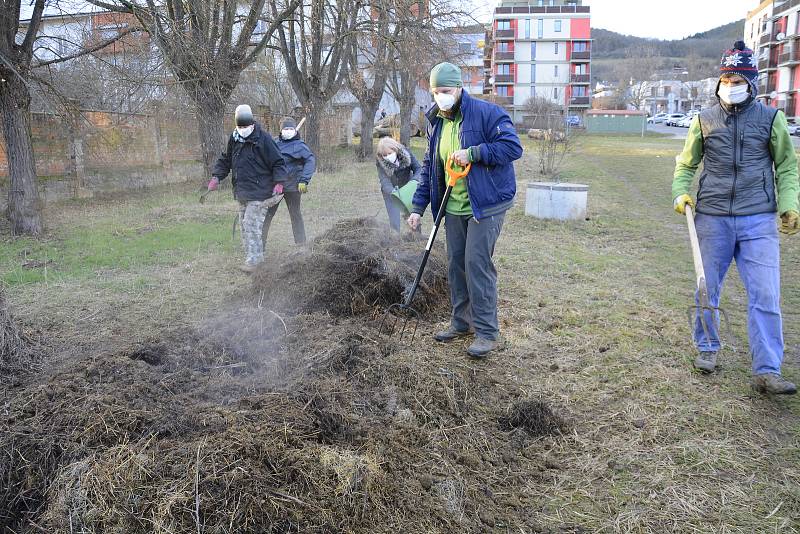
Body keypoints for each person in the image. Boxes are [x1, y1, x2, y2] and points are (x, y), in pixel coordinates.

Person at [672, 41, 799, 395]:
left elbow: (787, 166)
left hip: (758, 219)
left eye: (738, 79)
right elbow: (686, 164)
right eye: (727, 78)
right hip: (712, 218)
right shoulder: (704, 120)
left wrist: (790, 203)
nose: (732, 85)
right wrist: (680, 192)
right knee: (706, 287)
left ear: (752, 83)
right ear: (719, 82)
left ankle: (767, 369)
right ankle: (708, 349)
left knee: (765, 293)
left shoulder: (771, 119)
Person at [407, 62, 522, 359]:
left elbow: (512, 147)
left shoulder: (487, 113)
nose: (440, 97)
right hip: (453, 202)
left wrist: (475, 152)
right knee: (455, 263)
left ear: (458, 88)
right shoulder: (437, 123)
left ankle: (486, 332)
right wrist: (418, 208)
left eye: (445, 91)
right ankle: (461, 323)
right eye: (435, 92)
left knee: (476, 263)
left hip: (487, 202)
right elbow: (430, 170)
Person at [208, 104, 287, 273]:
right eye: (240, 127)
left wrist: (279, 182)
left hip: (261, 192)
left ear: (252, 123)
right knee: (245, 227)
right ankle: (253, 257)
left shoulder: (263, 139)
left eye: (246, 126)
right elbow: (226, 160)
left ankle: (255, 262)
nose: (243, 129)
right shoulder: (234, 139)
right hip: (242, 192)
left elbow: (279, 162)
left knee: (251, 224)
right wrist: (217, 176)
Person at [263, 117, 316, 248]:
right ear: (281, 131)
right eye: (285, 129)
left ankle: (301, 245)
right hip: (276, 187)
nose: (288, 131)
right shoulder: (274, 144)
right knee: (267, 215)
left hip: (293, 187)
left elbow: (310, 161)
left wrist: (304, 180)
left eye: (290, 129)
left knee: (295, 215)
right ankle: (259, 246)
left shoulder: (300, 146)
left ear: (294, 130)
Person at [376, 136, 421, 232]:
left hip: (408, 188)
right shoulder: (380, 161)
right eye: (385, 155)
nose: (387, 156)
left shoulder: (406, 153)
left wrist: (414, 181)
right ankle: (396, 240)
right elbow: (384, 180)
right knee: (394, 220)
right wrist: (393, 192)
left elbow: (418, 169)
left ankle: (418, 237)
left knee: (412, 215)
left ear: (395, 150)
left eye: (390, 153)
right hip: (391, 192)